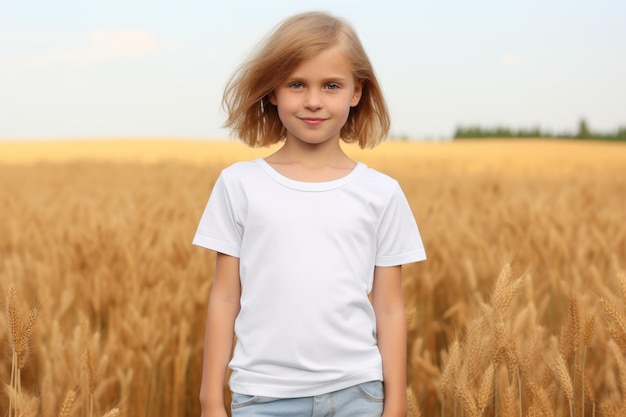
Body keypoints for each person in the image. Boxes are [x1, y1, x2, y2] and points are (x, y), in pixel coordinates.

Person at [193, 11, 426, 417]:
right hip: (264, 397)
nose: (313, 101)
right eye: (296, 84)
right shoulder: (239, 184)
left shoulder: (381, 193)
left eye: (331, 85)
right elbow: (225, 296)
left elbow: (389, 307)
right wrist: (210, 399)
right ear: (272, 92)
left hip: (359, 394)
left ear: (356, 93)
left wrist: (397, 402)